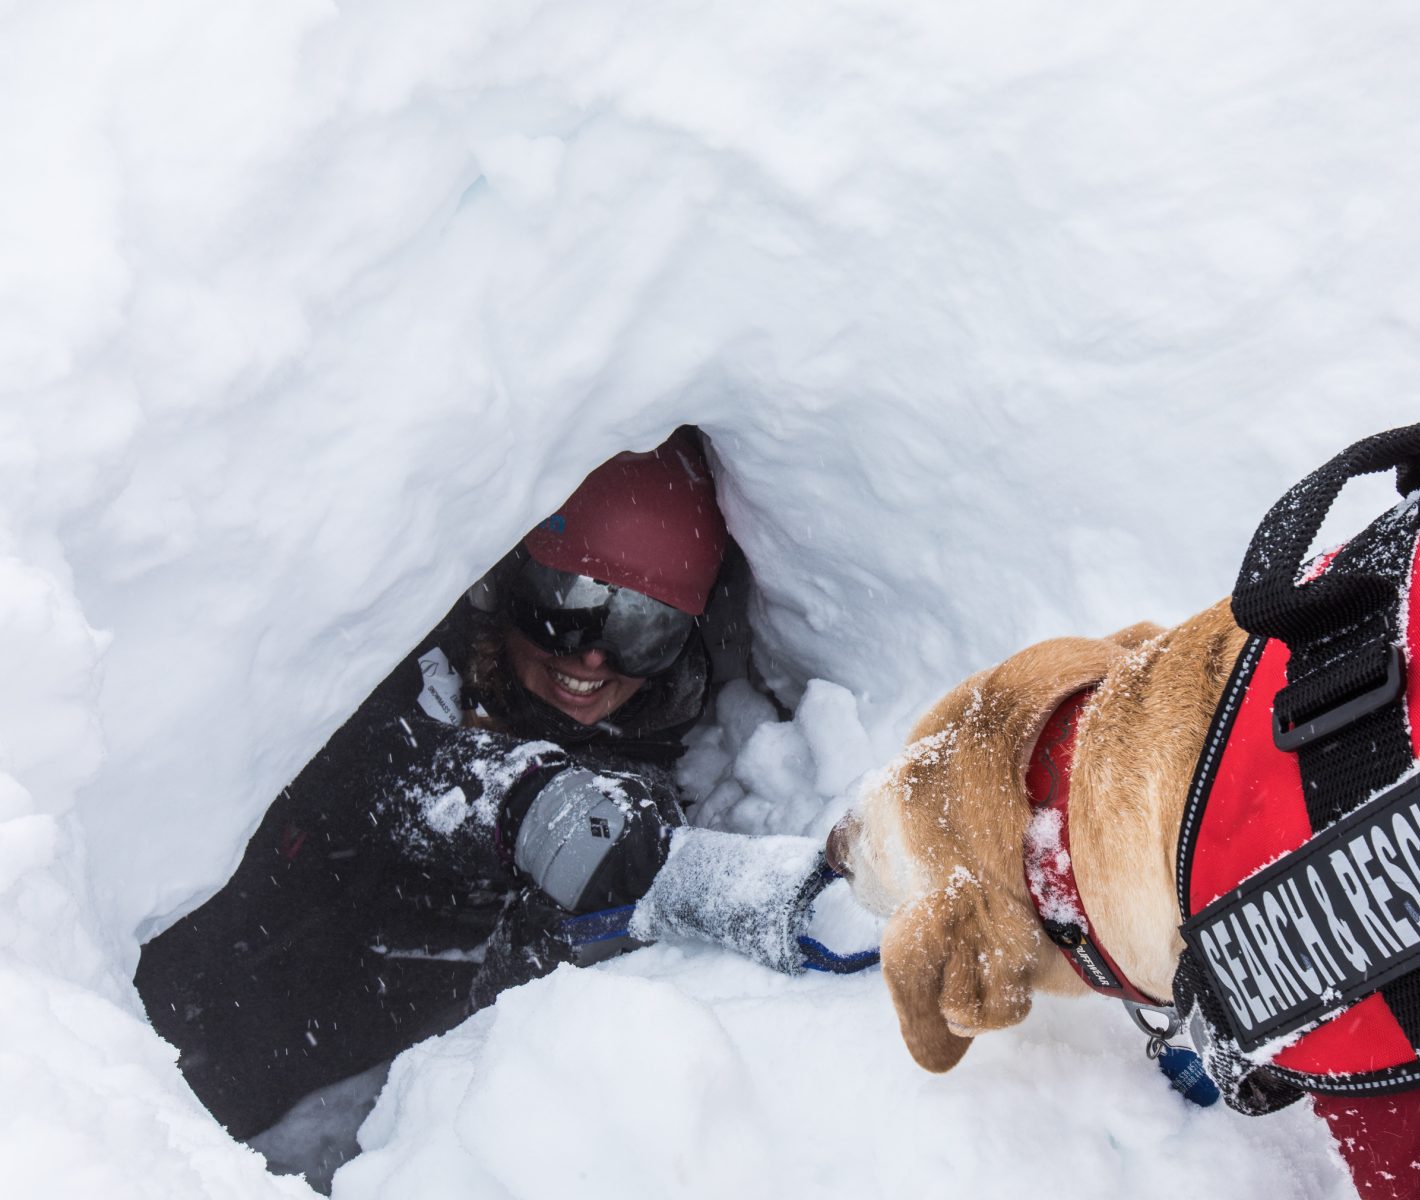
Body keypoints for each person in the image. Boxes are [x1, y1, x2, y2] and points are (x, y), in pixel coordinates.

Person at [135, 430, 874, 1161]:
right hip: (226, 956)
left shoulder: (658, 743)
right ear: (512, 585)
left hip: (364, 1053)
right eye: (570, 605)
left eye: (643, 629)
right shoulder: (407, 652)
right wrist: (528, 803)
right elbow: (360, 757)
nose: (593, 656)